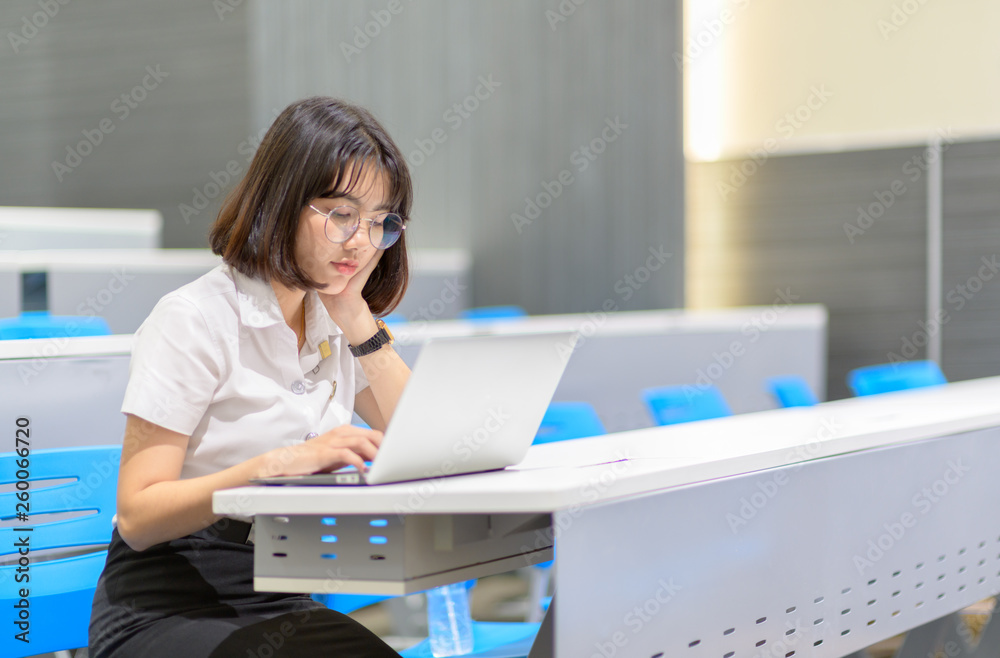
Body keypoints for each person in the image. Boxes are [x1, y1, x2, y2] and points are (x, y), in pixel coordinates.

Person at [89, 97, 412, 657]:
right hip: (164, 604)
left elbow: (416, 440)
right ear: (282, 202)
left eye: (379, 221)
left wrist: (359, 317)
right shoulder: (194, 318)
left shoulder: (334, 318)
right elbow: (138, 515)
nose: (360, 241)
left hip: (280, 597)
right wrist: (270, 469)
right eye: (341, 214)